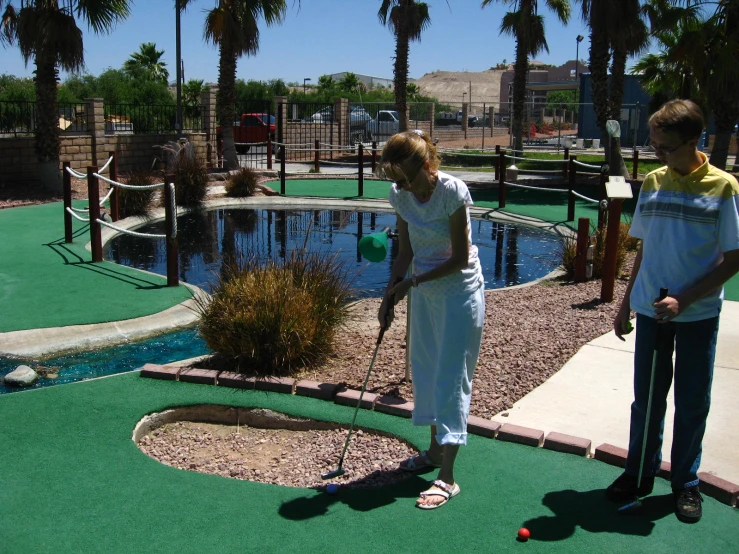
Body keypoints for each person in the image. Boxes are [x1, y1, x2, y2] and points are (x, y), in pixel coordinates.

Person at [610, 99, 739, 523]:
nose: (657, 154)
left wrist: (684, 299)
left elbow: (734, 258)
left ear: (693, 140)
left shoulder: (724, 187)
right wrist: (626, 302)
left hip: (697, 316)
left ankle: (685, 483)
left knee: (691, 400)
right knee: (646, 400)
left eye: (665, 147)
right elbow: (644, 248)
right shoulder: (653, 182)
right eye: (653, 146)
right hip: (650, 312)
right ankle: (637, 474)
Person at [375, 130, 485, 509]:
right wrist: (391, 292)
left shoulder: (452, 191)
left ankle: (448, 477)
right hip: (423, 292)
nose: (402, 187)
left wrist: (411, 282)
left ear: (426, 164)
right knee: (425, 367)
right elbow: (405, 251)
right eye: (396, 180)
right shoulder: (400, 195)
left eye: (407, 178)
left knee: (452, 376)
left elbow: (458, 259)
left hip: (459, 292)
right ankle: (435, 451)